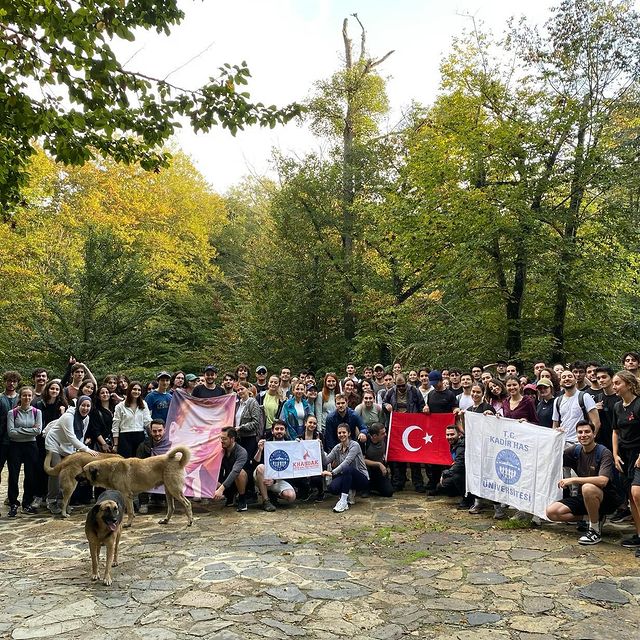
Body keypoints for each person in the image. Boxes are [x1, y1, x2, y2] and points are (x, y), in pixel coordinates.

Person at [546, 421, 620, 545]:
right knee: (552, 512)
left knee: (587, 488)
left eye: (587, 432)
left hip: (606, 499)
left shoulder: (603, 452)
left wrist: (574, 479)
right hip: (585, 498)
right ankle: (595, 518)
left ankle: (594, 531)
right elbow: (553, 457)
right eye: (580, 432)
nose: (583, 435)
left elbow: (603, 480)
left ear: (594, 434)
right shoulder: (575, 451)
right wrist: (556, 438)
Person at [44, 395, 99, 514]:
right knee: (56, 471)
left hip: (68, 446)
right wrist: (86, 449)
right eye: (83, 405)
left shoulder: (86, 418)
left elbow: (81, 436)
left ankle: (62, 502)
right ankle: (51, 500)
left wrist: (80, 449)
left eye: (88, 406)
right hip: (55, 443)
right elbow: (71, 436)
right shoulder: (68, 416)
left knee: (67, 475)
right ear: (78, 405)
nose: (85, 408)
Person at [382, 374, 427, 492]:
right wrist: (386, 405)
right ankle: (398, 482)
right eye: (399, 386)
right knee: (399, 456)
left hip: (412, 426)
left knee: (414, 456)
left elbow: (421, 405)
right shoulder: (391, 392)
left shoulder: (414, 391)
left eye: (403, 386)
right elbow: (383, 403)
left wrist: (424, 409)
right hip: (397, 428)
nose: (401, 388)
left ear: (406, 383)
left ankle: (418, 483)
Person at [611, 371, 640, 550]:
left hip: (638, 454)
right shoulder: (617, 407)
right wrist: (615, 455)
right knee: (630, 496)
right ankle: (639, 535)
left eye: (617, 383)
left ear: (629, 385)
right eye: (613, 383)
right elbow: (615, 431)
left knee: (637, 493)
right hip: (624, 455)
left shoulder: (639, 404)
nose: (614, 387)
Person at [6, 386, 43, 516]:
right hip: (15, 447)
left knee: (30, 475)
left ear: (32, 397)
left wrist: (19, 430)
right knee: (13, 476)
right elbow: (11, 433)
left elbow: (38, 431)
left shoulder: (37, 412)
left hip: (31, 446)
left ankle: (26, 502)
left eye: (29, 396)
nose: (27, 398)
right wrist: (29, 431)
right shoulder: (12, 413)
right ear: (20, 397)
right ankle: (13, 503)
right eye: (24, 395)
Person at [33, 380, 68, 507]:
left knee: (54, 469)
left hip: (56, 442)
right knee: (40, 468)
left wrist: (63, 412)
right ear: (47, 390)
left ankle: (53, 497)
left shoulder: (62, 405)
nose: (54, 391)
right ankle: (38, 496)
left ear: (60, 392)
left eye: (57, 389)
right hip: (41, 440)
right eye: (52, 389)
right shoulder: (39, 404)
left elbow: (65, 423)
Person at [322, 423, 370, 513]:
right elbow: (325, 461)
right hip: (346, 477)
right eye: (339, 433)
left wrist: (332, 473)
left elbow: (346, 462)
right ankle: (349, 492)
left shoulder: (354, 445)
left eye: (344, 432)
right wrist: (320, 447)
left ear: (349, 433)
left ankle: (343, 501)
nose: (341, 435)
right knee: (332, 488)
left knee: (347, 468)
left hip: (361, 478)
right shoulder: (337, 447)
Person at [253, 419, 297, 512]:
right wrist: (260, 450)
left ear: (285, 431)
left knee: (291, 496)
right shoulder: (266, 443)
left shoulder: (290, 444)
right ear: (272, 431)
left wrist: (299, 445)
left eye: (282, 429)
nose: (279, 431)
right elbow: (255, 463)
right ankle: (266, 500)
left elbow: (292, 469)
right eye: (277, 429)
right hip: (263, 477)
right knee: (261, 467)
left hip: (279, 479)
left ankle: (273, 494)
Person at [552, 370, 600, 444]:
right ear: (560, 382)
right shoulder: (557, 400)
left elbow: (596, 422)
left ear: (575, 380)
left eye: (570, 376)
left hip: (581, 443)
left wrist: (590, 439)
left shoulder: (585, 397)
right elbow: (555, 424)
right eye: (564, 377)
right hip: (563, 443)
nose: (567, 379)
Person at [136, 418, 171, 514]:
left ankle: (159, 498)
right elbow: (138, 464)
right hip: (147, 473)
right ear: (150, 431)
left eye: (160, 431)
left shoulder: (170, 444)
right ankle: (143, 502)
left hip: (164, 473)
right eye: (154, 431)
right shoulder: (143, 446)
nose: (157, 434)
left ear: (165, 430)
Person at [112, 381, 151, 458]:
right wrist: (115, 445)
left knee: (140, 462)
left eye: (139, 390)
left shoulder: (144, 404)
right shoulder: (120, 406)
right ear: (129, 390)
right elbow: (115, 426)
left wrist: (153, 437)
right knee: (126, 464)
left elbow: (147, 422)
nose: (137, 392)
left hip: (140, 436)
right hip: (125, 437)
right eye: (134, 389)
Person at [213, 427, 248, 512]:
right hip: (227, 480)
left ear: (232, 439)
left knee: (240, 473)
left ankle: (242, 499)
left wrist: (221, 489)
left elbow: (235, 471)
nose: (221, 441)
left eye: (224, 439)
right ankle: (230, 496)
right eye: (221, 438)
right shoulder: (220, 450)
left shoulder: (242, 452)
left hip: (241, 481)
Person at [234, 382, 262, 474]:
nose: (240, 391)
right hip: (238, 438)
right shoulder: (238, 404)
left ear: (248, 390)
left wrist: (241, 428)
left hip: (249, 438)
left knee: (246, 463)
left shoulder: (252, 402)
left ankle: (249, 486)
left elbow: (255, 422)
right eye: (238, 390)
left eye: (242, 389)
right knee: (238, 462)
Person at [431, 424, 465, 499]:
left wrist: (445, 473)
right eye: (447, 435)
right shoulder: (453, 444)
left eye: (452, 434)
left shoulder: (461, 447)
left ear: (459, 434)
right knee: (441, 486)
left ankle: (467, 499)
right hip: (459, 470)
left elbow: (459, 466)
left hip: (464, 474)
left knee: (456, 476)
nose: (449, 437)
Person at [363, 422, 394, 498]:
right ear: (374, 436)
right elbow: (362, 460)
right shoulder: (365, 442)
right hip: (367, 469)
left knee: (388, 492)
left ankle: (375, 486)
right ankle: (366, 487)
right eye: (382, 434)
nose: (385, 435)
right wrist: (379, 464)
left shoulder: (385, 439)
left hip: (379, 470)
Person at [87, 385, 115, 453]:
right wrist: (103, 444)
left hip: (115, 442)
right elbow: (95, 429)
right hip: (103, 443)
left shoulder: (115, 408)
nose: (105, 394)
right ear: (98, 396)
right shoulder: (95, 412)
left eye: (107, 392)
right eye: (102, 393)